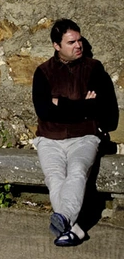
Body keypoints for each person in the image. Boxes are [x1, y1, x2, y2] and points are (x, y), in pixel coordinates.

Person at [32, 18, 118, 247]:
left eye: (79, 40)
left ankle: (63, 219)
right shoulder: (43, 72)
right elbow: (44, 111)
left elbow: (105, 110)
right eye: (71, 42)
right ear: (56, 46)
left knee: (78, 171)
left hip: (84, 137)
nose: (78, 46)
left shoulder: (94, 69)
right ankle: (74, 228)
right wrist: (83, 106)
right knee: (55, 178)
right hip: (50, 138)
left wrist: (60, 103)